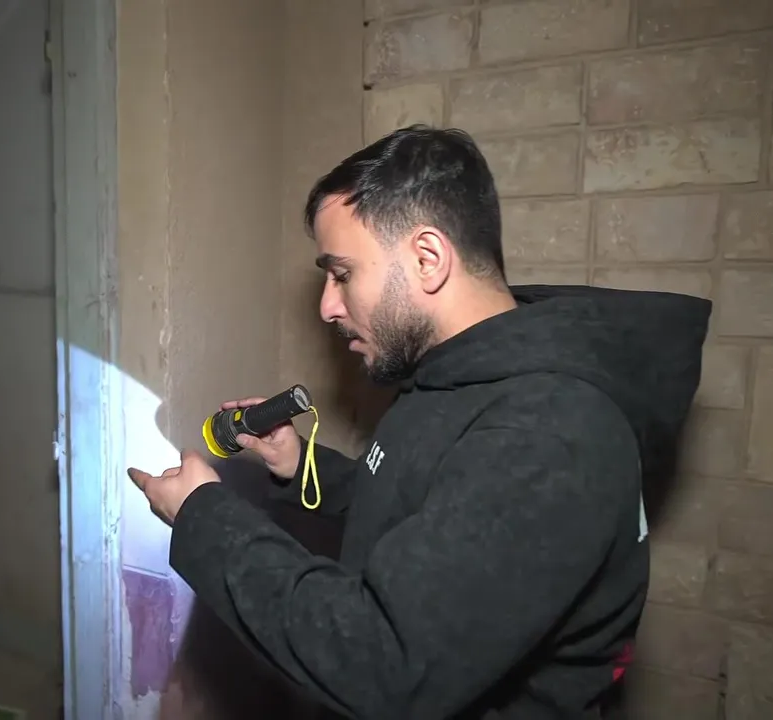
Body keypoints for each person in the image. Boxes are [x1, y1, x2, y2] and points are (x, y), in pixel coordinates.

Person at [127, 125, 711, 719]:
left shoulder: (551, 433)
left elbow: (380, 661)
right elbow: (421, 514)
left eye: (342, 274)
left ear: (428, 259)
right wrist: (300, 462)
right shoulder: (455, 375)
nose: (327, 306)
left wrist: (203, 517)